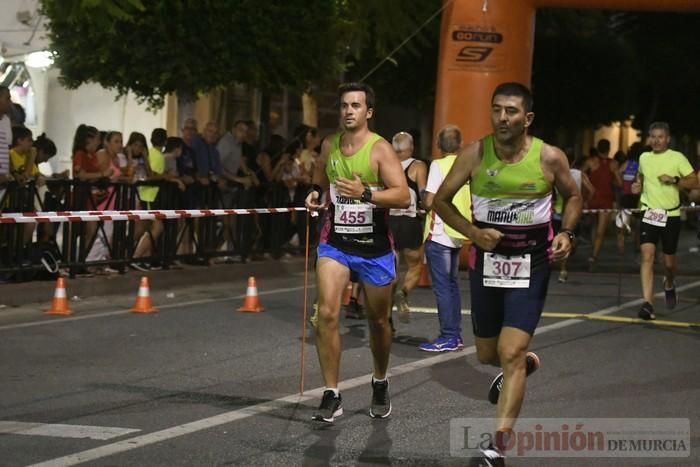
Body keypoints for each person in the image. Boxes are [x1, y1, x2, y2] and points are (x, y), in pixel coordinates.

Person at [432, 82, 582, 465]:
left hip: (531, 263)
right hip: (487, 264)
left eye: (511, 111)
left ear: (527, 118)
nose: (502, 117)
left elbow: (575, 194)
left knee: (510, 352)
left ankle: (496, 448)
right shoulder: (474, 154)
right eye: (497, 109)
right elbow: (440, 201)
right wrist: (473, 233)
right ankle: (521, 365)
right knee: (487, 355)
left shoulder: (549, 157)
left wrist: (566, 231)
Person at [304, 82, 409, 423]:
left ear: (369, 112)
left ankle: (379, 380)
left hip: (374, 249)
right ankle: (332, 393)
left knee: (378, 321)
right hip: (335, 243)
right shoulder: (330, 144)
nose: (349, 110)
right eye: (345, 105)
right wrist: (314, 192)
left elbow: (403, 196)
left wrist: (366, 194)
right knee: (328, 314)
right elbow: (321, 175)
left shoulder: (380, 150)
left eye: (356, 105)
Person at [631, 122, 698, 320]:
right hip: (649, 213)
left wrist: (675, 180)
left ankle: (669, 282)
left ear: (667, 139)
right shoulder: (644, 157)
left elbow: (695, 182)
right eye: (653, 136)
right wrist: (637, 186)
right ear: (649, 138)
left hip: (671, 215)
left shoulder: (677, 158)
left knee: (669, 263)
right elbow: (640, 179)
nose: (657, 140)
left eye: (661, 137)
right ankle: (647, 303)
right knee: (647, 256)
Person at [420, 125, 470, 352]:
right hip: (457, 231)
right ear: (460, 144)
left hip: (439, 232)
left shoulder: (438, 165)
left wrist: (421, 196)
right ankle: (455, 335)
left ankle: (449, 336)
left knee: (443, 287)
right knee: (451, 285)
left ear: (438, 146)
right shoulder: (466, 166)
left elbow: (430, 201)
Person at [387, 131, 426, 324]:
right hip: (410, 222)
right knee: (415, 266)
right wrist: (424, 208)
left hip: (390, 223)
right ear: (410, 148)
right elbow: (423, 194)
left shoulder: (385, 165)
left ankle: (386, 317)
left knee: (391, 270)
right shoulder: (417, 166)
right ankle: (403, 293)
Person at [584, 139, 622, 271]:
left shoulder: (591, 162)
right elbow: (619, 183)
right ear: (609, 148)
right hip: (606, 199)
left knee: (594, 227)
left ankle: (592, 253)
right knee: (600, 231)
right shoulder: (613, 164)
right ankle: (593, 257)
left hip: (592, 199)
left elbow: (581, 175)